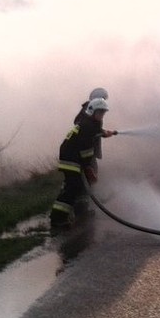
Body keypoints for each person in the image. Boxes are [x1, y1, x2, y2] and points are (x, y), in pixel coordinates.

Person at [50, 98, 110, 229]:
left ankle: (77, 212)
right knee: (72, 188)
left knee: (78, 186)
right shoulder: (88, 126)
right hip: (71, 159)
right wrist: (88, 168)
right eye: (100, 113)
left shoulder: (89, 123)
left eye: (103, 113)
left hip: (73, 158)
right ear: (92, 111)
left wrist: (104, 133)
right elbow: (86, 151)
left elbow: (96, 131)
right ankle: (57, 220)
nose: (101, 115)